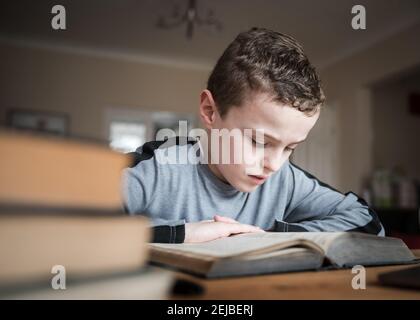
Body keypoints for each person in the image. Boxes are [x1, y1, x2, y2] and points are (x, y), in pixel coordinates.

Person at [122, 27, 384, 243]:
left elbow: (369, 222)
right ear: (210, 111)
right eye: (259, 142)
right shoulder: (157, 167)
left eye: (290, 148)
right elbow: (80, 226)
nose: (274, 164)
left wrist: (268, 237)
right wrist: (184, 233)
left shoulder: (285, 180)